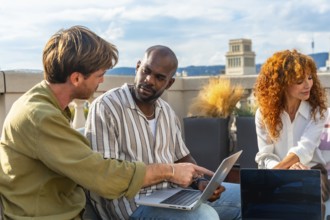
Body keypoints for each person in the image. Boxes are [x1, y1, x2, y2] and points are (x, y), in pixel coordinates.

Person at [0, 26, 214, 220]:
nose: (102, 81)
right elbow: (102, 175)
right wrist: (170, 171)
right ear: (76, 78)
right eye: (99, 75)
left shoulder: (46, 106)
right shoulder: (40, 116)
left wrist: (196, 180)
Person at [84, 45, 241, 220]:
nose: (149, 80)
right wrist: (171, 172)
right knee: (205, 217)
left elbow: (183, 157)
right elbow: (106, 176)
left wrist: (201, 182)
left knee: (247, 197)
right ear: (137, 67)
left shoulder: (166, 111)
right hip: (131, 206)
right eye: (146, 71)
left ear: (170, 83)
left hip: (171, 196)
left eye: (159, 77)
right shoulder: (106, 107)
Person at [254, 49, 330, 218]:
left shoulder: (317, 112)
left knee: (307, 195)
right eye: (299, 80)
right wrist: (282, 173)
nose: (308, 85)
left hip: (313, 172)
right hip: (276, 173)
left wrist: (279, 174)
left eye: (310, 77)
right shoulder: (263, 114)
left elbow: (305, 149)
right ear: (281, 83)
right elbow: (265, 156)